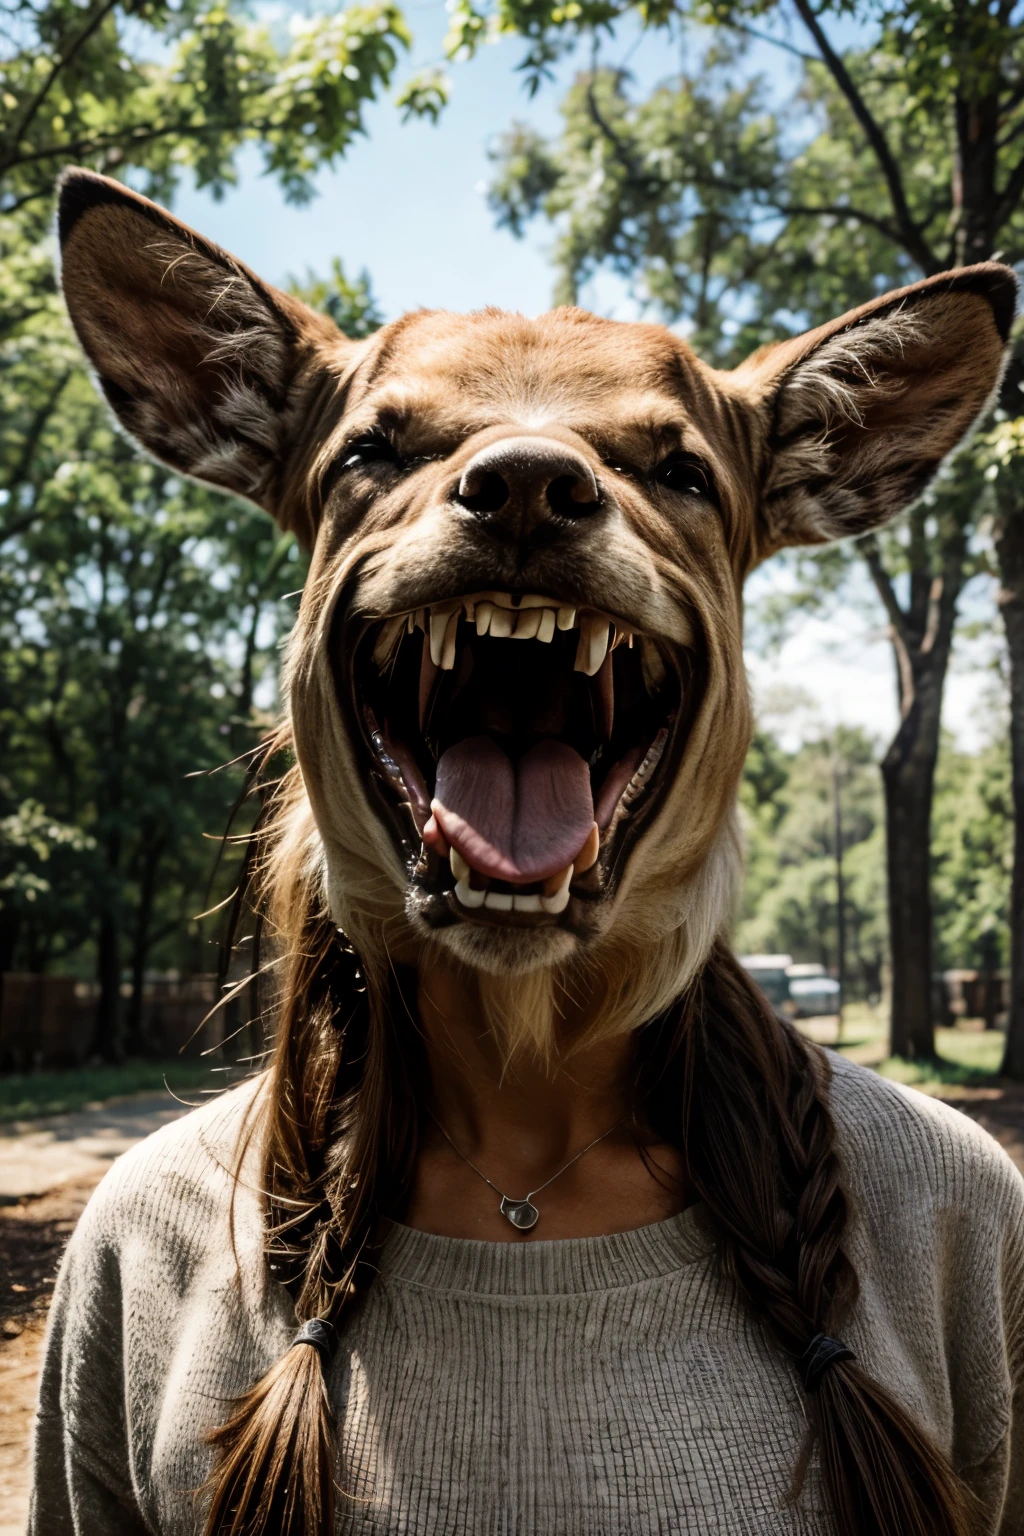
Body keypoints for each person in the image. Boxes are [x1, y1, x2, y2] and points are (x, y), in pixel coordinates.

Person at [29, 167, 1024, 1536]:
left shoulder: (949, 1217)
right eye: (385, 454)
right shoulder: (154, 1242)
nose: (527, 476)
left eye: (668, 470)